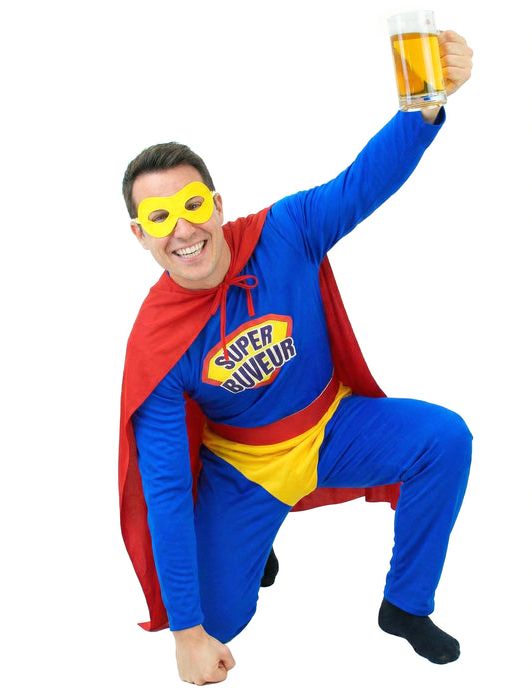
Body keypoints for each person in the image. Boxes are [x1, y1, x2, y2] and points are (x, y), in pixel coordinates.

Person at [119, 31, 473, 686]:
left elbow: (360, 184)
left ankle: (405, 603)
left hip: (334, 428)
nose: (183, 229)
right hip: (242, 471)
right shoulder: (157, 343)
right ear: (140, 235)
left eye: (192, 206)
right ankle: (253, 545)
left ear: (216, 205)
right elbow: (164, 491)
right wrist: (187, 634)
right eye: (160, 218)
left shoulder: (283, 232)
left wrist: (424, 108)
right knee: (218, 622)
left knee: (443, 439)